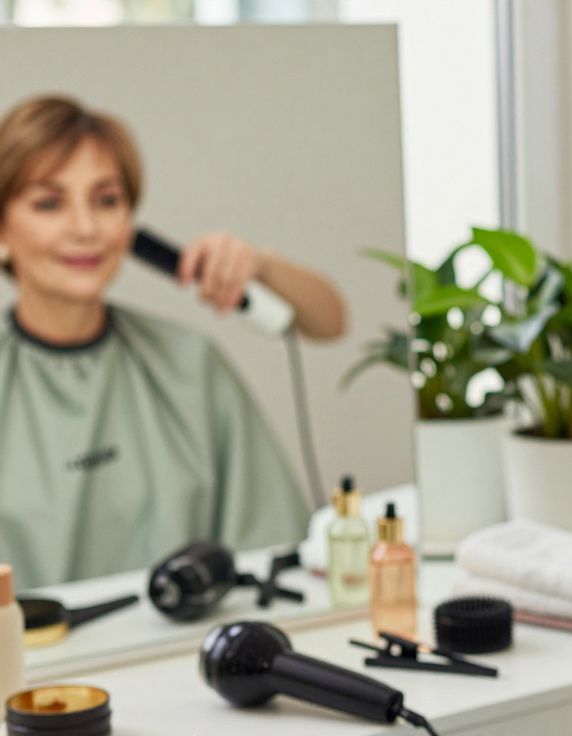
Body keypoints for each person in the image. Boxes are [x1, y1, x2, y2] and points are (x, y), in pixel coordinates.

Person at [0, 94, 347, 588]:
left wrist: (261, 264)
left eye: (106, 200)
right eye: (49, 203)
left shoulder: (189, 365)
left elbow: (332, 320)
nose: (85, 228)